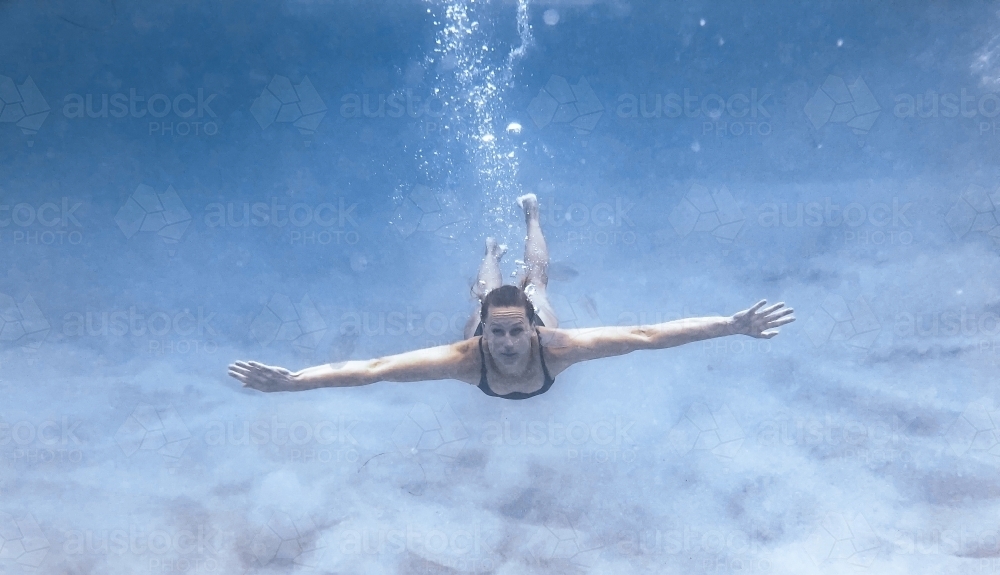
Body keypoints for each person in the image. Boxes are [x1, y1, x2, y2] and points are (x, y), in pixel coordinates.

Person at [228, 194, 794, 398]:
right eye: (495, 331)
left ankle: (533, 214)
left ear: (531, 330)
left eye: (511, 330)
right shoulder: (465, 355)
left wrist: (732, 324)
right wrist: (295, 382)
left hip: (538, 308)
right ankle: (490, 250)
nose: (501, 342)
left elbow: (647, 336)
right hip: (485, 309)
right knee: (484, 285)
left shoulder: (561, 345)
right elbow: (374, 369)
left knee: (537, 281)